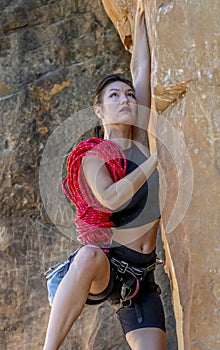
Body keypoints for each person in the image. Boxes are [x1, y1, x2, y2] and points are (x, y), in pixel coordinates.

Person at [43, 2, 166, 349]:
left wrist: (142, 18)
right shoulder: (93, 156)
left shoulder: (140, 139)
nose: (125, 99)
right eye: (114, 95)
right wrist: (151, 164)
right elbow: (111, 197)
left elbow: (141, 68)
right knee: (88, 255)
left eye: (128, 95)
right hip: (107, 265)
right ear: (99, 109)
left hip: (142, 281)